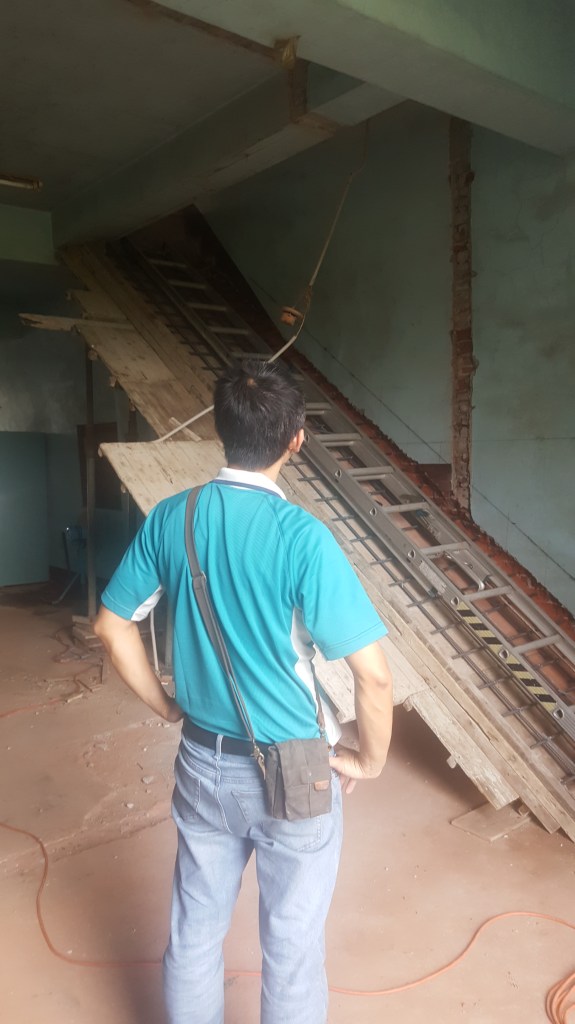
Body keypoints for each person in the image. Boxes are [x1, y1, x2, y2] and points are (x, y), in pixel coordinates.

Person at [94, 359, 393, 1024]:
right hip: (297, 771)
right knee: (291, 947)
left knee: (194, 931)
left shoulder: (173, 518)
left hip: (203, 760)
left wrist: (166, 705)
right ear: (296, 439)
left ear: (221, 432)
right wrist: (369, 761)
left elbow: (112, 626)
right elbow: (373, 675)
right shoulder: (302, 538)